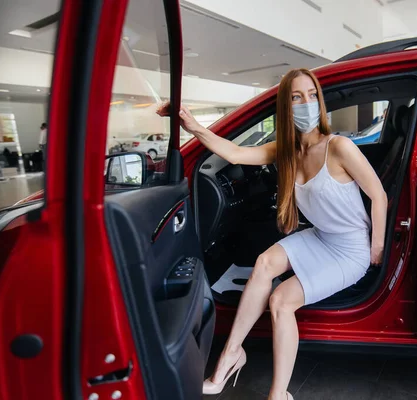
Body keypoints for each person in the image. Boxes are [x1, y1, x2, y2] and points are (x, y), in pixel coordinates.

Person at [157, 68, 387, 400]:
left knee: (280, 301)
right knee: (264, 263)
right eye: (296, 97)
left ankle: (277, 394)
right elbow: (235, 154)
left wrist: (376, 246)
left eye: (311, 96)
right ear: (285, 106)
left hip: (350, 251)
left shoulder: (339, 147)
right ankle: (230, 357)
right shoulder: (286, 150)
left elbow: (379, 196)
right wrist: (190, 124)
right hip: (321, 236)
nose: (306, 103)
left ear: (319, 103)